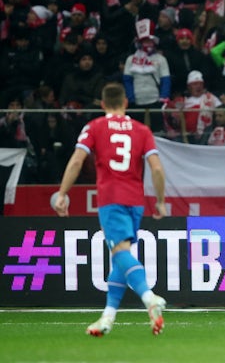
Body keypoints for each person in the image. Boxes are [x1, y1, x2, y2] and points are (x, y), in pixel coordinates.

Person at [53, 82, 167, 336]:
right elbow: (157, 168)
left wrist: (62, 193)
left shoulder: (94, 127)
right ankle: (107, 317)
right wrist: (160, 200)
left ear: (102, 105)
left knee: (119, 253)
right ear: (126, 103)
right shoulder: (142, 130)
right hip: (135, 201)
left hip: (111, 198)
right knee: (120, 256)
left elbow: (76, 161)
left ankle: (149, 298)